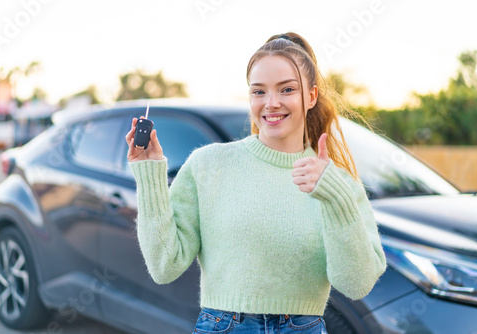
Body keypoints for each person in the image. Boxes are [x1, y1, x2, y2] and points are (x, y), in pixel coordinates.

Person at [125, 32, 387, 334]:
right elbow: (164, 266)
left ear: (311, 96)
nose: (271, 103)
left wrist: (335, 199)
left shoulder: (337, 184)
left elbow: (356, 284)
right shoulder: (209, 165)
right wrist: (149, 176)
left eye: (287, 89)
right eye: (259, 92)